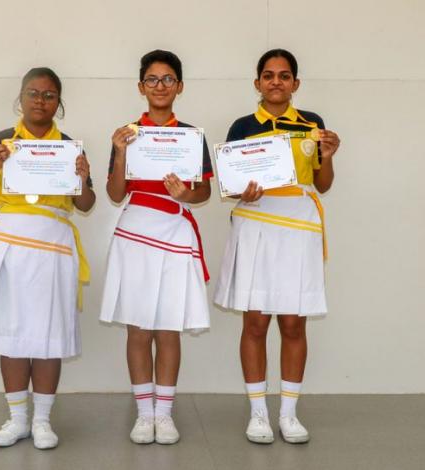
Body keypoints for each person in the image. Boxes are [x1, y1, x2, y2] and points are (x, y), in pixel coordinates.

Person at [0, 67, 95, 450]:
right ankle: (17, 419)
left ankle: (42, 421)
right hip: (7, 247)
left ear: (59, 103)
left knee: (49, 336)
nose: (40, 100)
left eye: (49, 95)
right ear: (20, 98)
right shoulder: (0, 142)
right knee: (13, 335)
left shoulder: (69, 147)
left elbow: (86, 204)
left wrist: (82, 178)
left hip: (53, 248)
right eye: (33, 93)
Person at [214, 49, 340, 444]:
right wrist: (243, 192)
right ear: (257, 83)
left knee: (293, 323)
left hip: (298, 228)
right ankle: (258, 414)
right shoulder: (242, 126)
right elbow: (231, 186)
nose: (276, 82)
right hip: (256, 225)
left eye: (284, 76)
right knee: (255, 323)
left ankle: (288, 414)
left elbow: (323, 184)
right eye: (268, 75)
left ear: (295, 83)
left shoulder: (312, 124)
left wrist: (328, 155)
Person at [100, 50, 212, 445]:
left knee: (168, 327)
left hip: (175, 233)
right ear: (141, 86)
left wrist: (186, 194)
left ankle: (163, 414)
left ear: (179, 86)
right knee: (138, 328)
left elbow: (204, 191)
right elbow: (115, 194)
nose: (159, 86)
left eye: (167, 79)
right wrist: (120, 152)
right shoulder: (127, 134)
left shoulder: (192, 136)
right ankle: (143, 412)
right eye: (152, 79)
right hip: (135, 233)